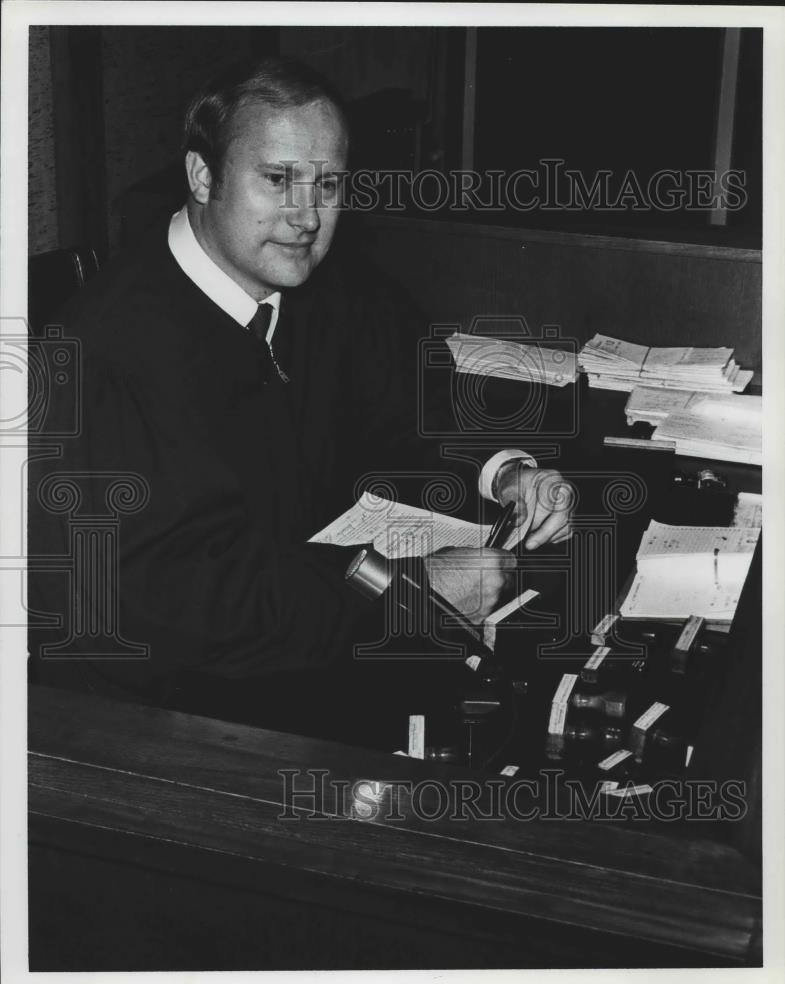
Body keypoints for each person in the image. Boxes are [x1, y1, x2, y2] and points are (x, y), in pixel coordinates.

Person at [28, 55, 572, 727]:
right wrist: (411, 592)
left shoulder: (326, 291)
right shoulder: (103, 354)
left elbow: (409, 413)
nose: (306, 216)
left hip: (300, 647)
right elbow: (166, 615)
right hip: (160, 723)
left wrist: (507, 475)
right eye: (278, 179)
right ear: (203, 176)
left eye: (328, 185)